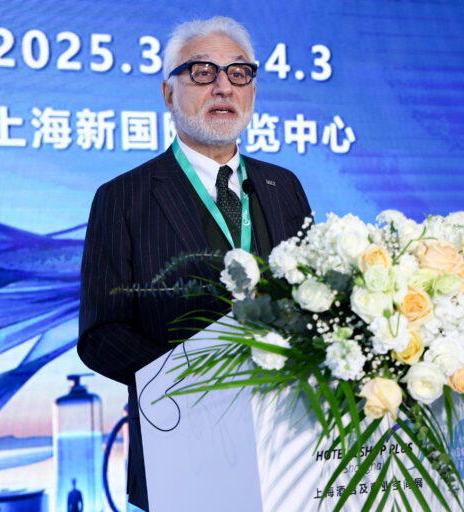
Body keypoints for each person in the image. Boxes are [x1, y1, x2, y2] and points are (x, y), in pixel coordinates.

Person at [78, 16, 311, 510]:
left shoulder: (284, 186)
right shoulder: (123, 198)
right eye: (203, 72)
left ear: (252, 92)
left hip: (292, 453)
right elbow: (101, 334)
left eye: (239, 73)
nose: (224, 86)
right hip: (180, 451)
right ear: (168, 93)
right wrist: (197, 381)